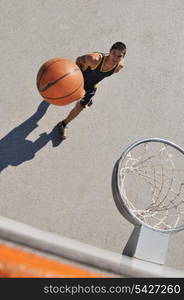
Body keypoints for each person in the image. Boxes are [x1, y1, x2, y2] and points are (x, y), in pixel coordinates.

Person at [55, 41, 126, 139]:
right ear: (109, 51)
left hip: (91, 86)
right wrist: (74, 77)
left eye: (119, 56)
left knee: (80, 107)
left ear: (122, 57)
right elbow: (78, 60)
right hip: (77, 79)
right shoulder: (94, 59)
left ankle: (63, 124)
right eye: (114, 53)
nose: (115, 58)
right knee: (59, 93)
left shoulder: (119, 66)